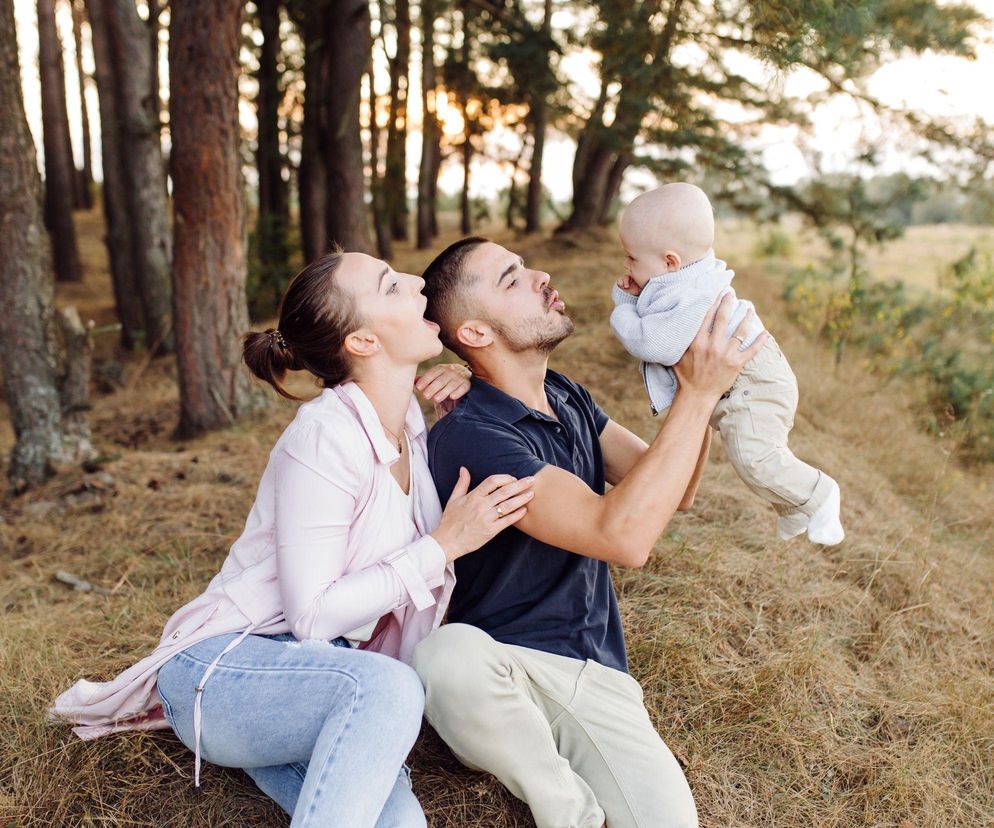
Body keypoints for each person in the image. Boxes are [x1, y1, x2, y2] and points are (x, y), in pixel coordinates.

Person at [50, 251, 535, 827]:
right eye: (389, 285)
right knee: (389, 690)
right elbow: (311, 616)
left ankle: (281, 748)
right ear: (363, 342)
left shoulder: (406, 420)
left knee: (403, 823)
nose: (414, 281)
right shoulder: (324, 437)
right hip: (225, 669)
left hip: (319, 679)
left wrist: (465, 389)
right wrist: (441, 546)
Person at [413, 236, 767, 828]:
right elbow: (623, 538)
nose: (540, 276)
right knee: (447, 658)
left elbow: (675, 491)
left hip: (595, 673)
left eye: (524, 267)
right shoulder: (472, 434)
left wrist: (694, 395)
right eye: (511, 279)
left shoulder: (564, 394)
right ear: (474, 334)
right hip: (505, 667)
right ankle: (570, 813)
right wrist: (699, 394)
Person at [611, 182, 844, 545]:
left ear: (670, 261)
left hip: (752, 380)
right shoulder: (689, 275)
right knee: (747, 453)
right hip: (749, 376)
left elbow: (651, 342)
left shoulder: (690, 294)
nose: (625, 264)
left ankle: (818, 494)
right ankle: (794, 509)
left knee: (754, 457)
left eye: (631, 258)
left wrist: (624, 305)